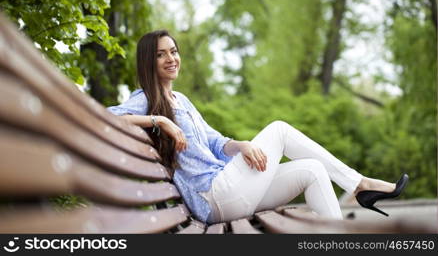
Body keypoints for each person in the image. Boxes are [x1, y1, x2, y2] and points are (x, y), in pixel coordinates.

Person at [106, 30, 408, 224]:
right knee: (278, 129)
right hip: (211, 195)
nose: (171, 58)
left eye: (173, 51)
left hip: (226, 189)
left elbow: (215, 142)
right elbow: (109, 117)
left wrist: (242, 145)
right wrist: (161, 121)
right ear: (148, 61)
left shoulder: (181, 98)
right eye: (161, 54)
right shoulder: (145, 98)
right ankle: (359, 185)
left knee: (313, 170)